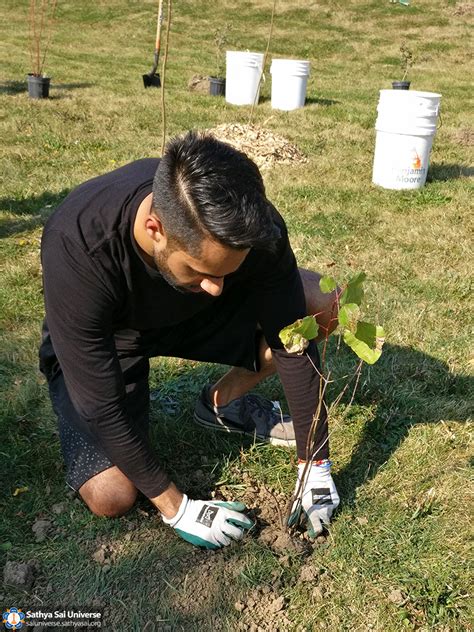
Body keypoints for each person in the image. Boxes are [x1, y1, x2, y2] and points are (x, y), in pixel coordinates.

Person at [39, 131, 340, 550]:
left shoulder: (252, 224)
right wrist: (177, 507)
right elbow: (100, 404)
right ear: (155, 229)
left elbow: (291, 337)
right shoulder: (79, 246)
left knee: (319, 304)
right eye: (201, 269)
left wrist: (316, 462)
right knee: (111, 495)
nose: (217, 286)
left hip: (190, 315)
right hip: (110, 337)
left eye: (228, 271)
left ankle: (221, 404)